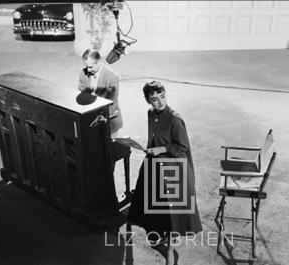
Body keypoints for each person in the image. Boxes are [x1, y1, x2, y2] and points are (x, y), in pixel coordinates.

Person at [128, 81, 202, 265]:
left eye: (162, 97)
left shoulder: (175, 119)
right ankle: (158, 235)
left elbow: (182, 147)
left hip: (172, 169)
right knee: (149, 201)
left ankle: (170, 246)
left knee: (169, 209)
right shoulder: (150, 113)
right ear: (148, 101)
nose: (160, 102)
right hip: (154, 164)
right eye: (154, 99)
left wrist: (160, 150)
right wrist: (149, 150)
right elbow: (153, 138)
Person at [78, 49, 123, 137]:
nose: (88, 70)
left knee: (109, 147)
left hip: (109, 119)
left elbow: (111, 103)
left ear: (99, 62)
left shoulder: (112, 77)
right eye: (86, 66)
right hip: (90, 118)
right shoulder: (83, 72)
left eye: (91, 67)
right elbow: (81, 94)